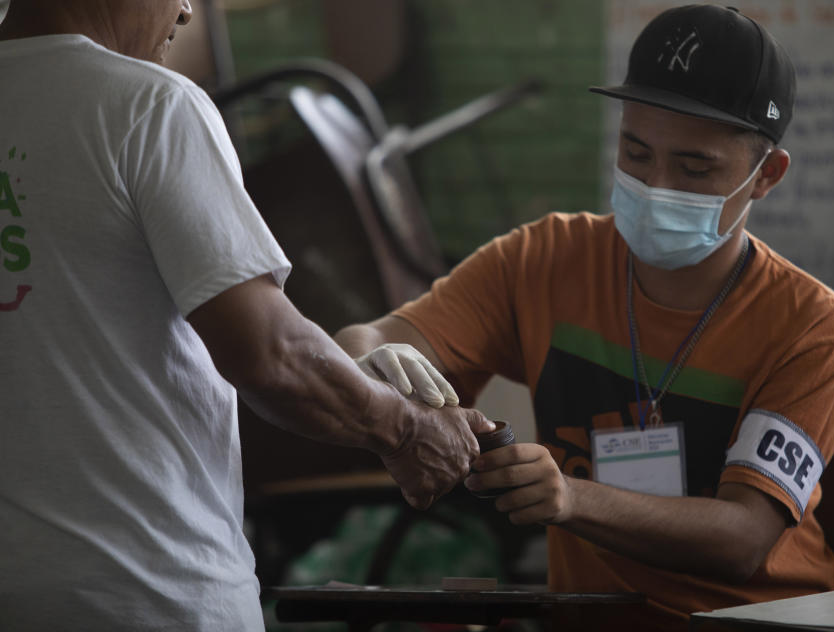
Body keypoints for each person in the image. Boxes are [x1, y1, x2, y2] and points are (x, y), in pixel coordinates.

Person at [335, 4, 834, 630]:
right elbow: (370, 339)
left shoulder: (816, 330)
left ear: (765, 176)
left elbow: (743, 537)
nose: (656, 183)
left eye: (695, 168)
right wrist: (367, 358)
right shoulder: (543, 261)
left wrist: (568, 497)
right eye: (636, 152)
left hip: (757, 620)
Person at [0, 1, 493, 630]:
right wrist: (405, 430)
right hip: (144, 590)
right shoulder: (146, 106)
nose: (183, 10)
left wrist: (349, 377)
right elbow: (270, 354)